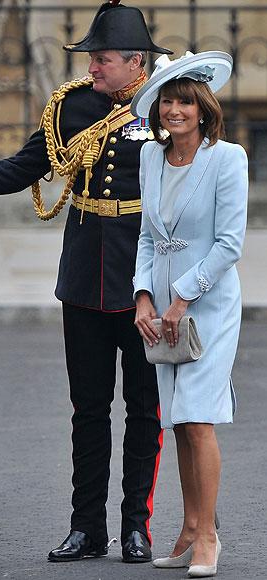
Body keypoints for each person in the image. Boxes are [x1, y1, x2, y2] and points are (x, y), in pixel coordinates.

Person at [0, 1, 173, 564]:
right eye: (92, 59)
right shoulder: (73, 106)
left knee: (146, 411)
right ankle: (85, 527)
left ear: (136, 62)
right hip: (83, 276)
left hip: (146, 279)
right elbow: (30, 164)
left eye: (101, 59)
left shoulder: (167, 106)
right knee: (88, 409)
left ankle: (136, 528)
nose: (92, 68)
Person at [131, 51, 248, 577]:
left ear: (202, 108)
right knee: (176, 422)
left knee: (198, 418)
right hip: (161, 311)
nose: (173, 110)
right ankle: (187, 527)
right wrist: (144, 298)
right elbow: (146, 238)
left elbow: (228, 244)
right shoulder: (150, 159)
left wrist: (181, 297)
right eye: (165, 102)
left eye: (183, 102)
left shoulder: (229, 159)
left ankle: (208, 539)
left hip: (209, 304)